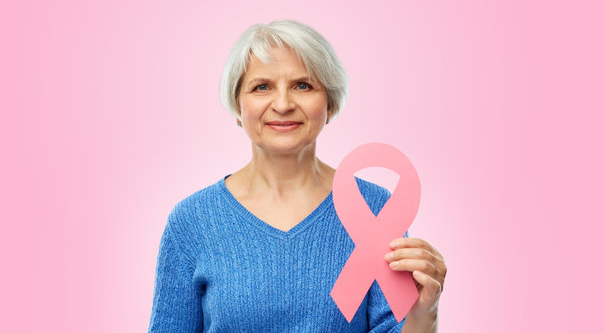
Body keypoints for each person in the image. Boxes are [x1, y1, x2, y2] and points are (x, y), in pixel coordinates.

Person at [148, 20, 447, 333]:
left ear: (329, 104)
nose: (283, 104)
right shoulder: (192, 221)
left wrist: (425, 313)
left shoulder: (374, 208)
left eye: (303, 86)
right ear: (238, 105)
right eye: (261, 87)